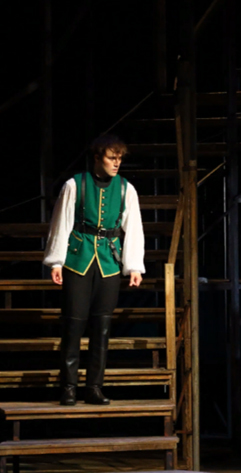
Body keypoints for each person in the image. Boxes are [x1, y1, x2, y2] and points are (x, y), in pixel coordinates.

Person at [43, 135, 145, 405]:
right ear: (98, 158)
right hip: (78, 260)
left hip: (108, 263)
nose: (117, 163)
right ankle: (69, 387)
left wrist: (134, 266)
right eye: (112, 158)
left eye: (119, 158)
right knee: (74, 325)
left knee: (102, 328)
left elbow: (134, 228)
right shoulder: (75, 185)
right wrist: (56, 261)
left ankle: (94, 387)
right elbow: (61, 224)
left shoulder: (126, 189)